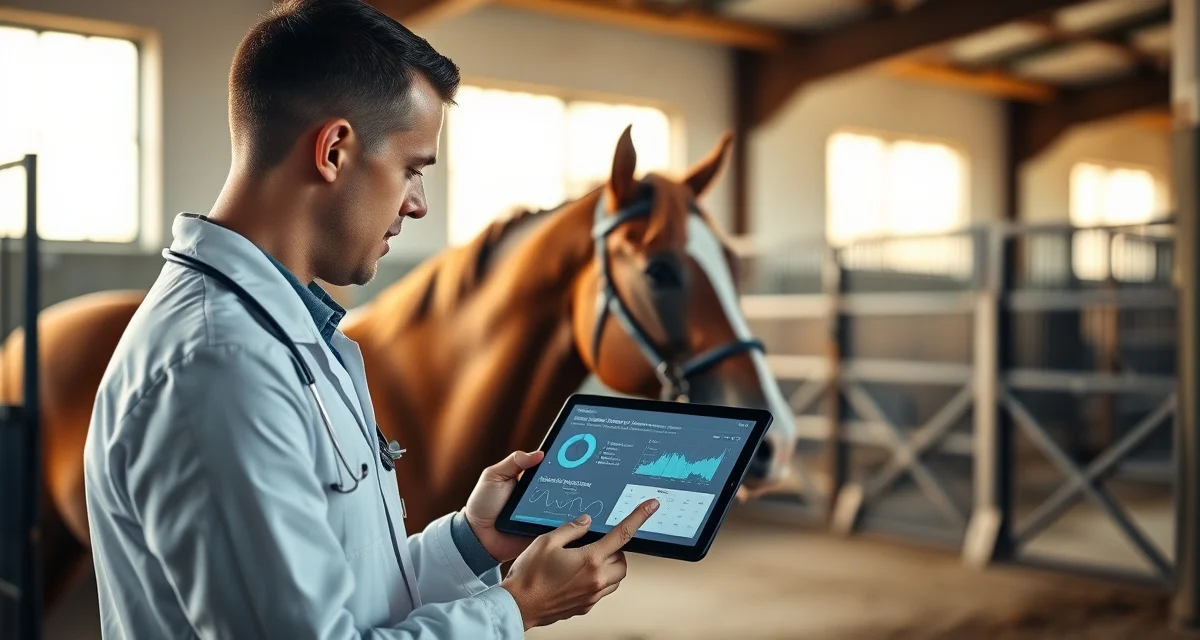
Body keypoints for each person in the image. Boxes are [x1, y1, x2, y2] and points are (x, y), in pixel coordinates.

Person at [81, 0, 660, 637]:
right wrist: (514, 609)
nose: (417, 205)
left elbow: (345, 589)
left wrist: (471, 543)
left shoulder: (288, 333)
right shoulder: (223, 365)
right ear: (333, 150)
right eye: (412, 168)